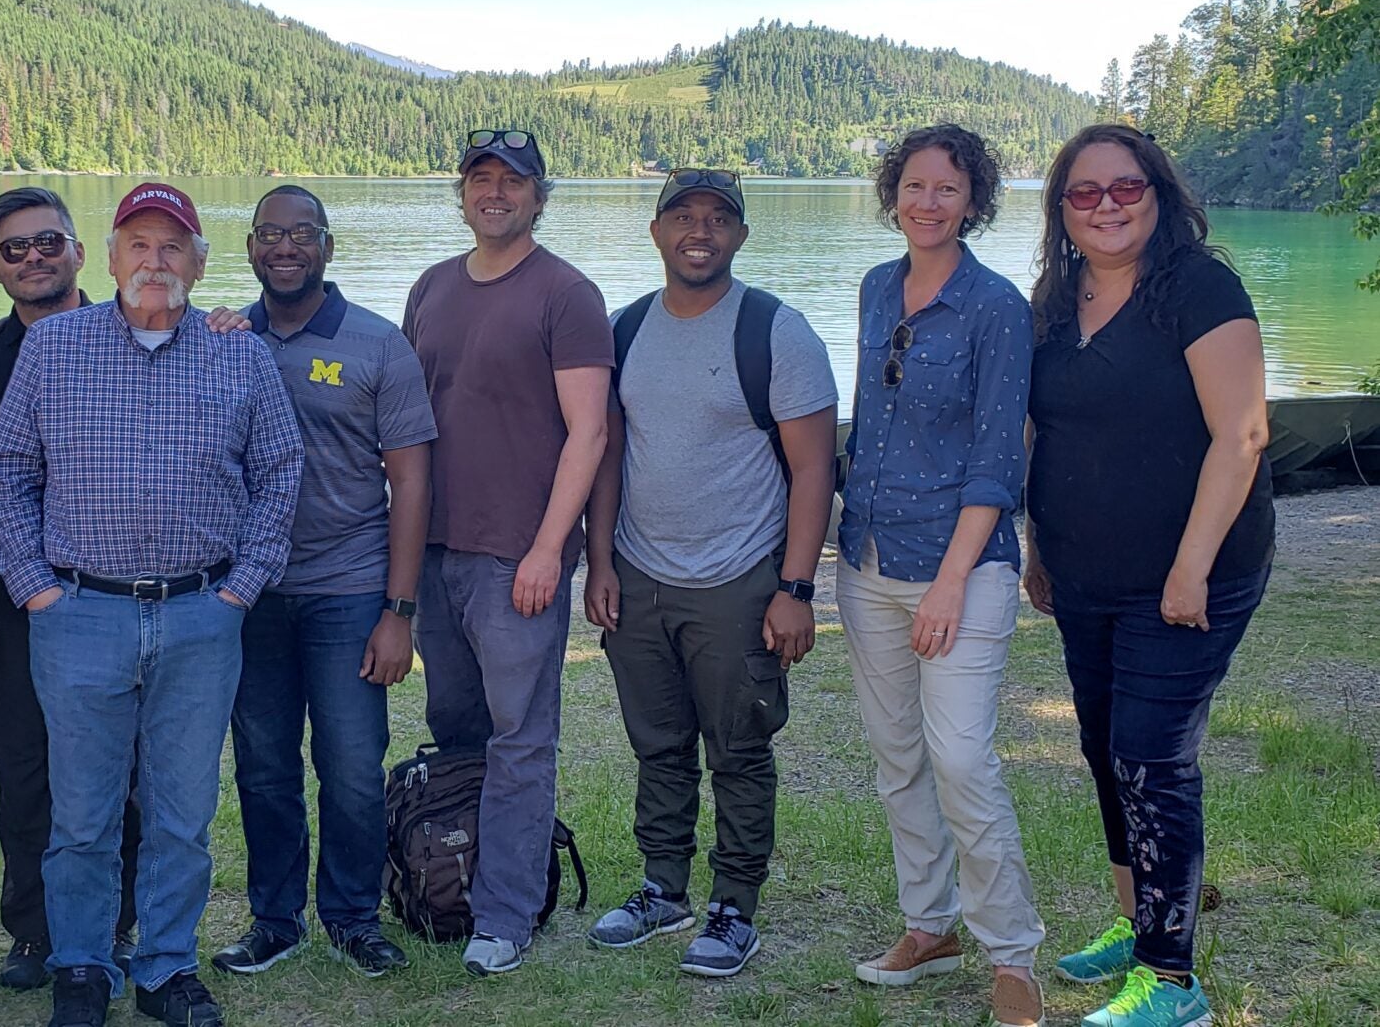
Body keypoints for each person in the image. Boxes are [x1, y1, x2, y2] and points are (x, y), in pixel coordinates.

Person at [0, 182, 303, 1027]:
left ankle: (165, 967)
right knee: (82, 813)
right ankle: (82, 967)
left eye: (172, 247)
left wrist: (241, 587)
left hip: (201, 613)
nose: (153, 261)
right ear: (109, 255)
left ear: (199, 264)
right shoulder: (52, 348)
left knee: (181, 812)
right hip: (79, 612)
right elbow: (8, 474)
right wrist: (35, 589)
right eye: (138, 245)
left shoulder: (240, 352)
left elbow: (280, 472)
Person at [1024, 125, 1272, 1027]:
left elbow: (1241, 435)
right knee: (1103, 749)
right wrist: (1036, 544)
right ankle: (1137, 926)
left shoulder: (1198, 289)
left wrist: (1190, 567)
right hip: (1083, 575)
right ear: (1061, 211)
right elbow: (1047, 433)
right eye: (1083, 193)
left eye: (1124, 187)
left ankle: (1172, 982)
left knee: (1151, 758)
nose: (1106, 206)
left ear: (1158, 193)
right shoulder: (1055, 300)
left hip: (1191, 574)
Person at [585, 167, 836, 979]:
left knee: (737, 748)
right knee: (657, 744)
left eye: (718, 218)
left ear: (740, 235)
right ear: (656, 231)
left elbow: (812, 471)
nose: (700, 230)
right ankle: (663, 888)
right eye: (683, 216)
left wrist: (795, 589)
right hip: (640, 574)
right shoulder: (625, 330)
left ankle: (734, 904)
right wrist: (600, 561)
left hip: (737, 580)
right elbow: (610, 456)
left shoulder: (775, 331)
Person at [833, 127, 1045, 1027]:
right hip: (866, 558)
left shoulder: (997, 309)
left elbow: (998, 459)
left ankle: (1012, 955)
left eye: (946, 189)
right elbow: (868, 423)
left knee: (960, 757)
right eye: (913, 185)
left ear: (973, 201)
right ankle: (928, 923)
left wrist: (954, 580)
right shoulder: (877, 286)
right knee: (896, 758)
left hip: (959, 565)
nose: (926, 202)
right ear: (893, 194)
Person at [400, 130, 611, 978]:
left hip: (515, 557)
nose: (495, 193)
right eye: (479, 179)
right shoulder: (430, 287)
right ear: (461, 194)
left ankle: (506, 913)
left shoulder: (566, 293)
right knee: (455, 729)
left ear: (538, 196)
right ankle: (449, 875)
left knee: (520, 737)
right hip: (433, 548)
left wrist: (549, 549)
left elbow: (588, 430)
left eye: (512, 181)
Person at [210, 185, 434, 980]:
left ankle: (351, 916)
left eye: (301, 234)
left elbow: (410, 483)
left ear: (327, 247)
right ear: (249, 248)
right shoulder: (222, 339)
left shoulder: (376, 345)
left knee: (349, 763)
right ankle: (275, 919)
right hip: (250, 592)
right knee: (264, 763)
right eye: (269, 233)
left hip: (347, 589)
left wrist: (397, 611)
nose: (285, 247)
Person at [0, 187, 145, 991]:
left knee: (119, 769)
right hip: (14, 595)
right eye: (12, 248)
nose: (31, 258)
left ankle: (118, 925)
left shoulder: (135, 332)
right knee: (25, 765)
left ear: (79, 251)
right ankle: (32, 931)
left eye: (47, 243)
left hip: (106, 596)